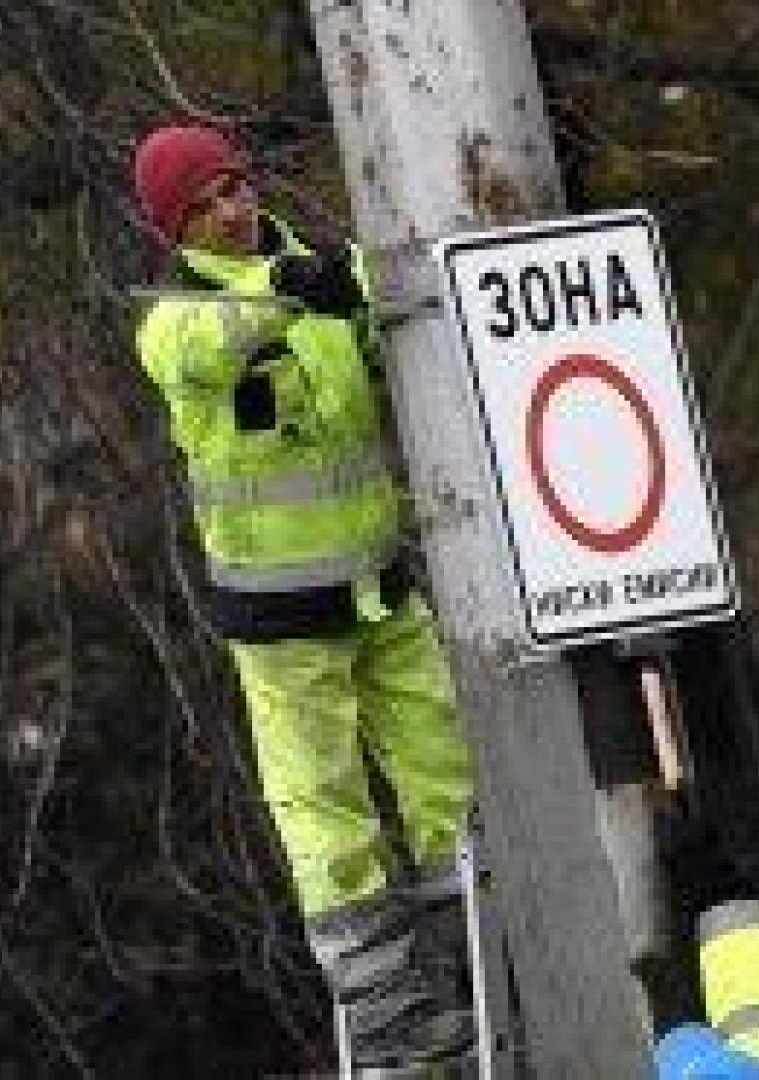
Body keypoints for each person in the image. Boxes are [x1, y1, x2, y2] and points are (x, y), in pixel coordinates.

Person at [131, 123, 479, 1076]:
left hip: (378, 594)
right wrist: (290, 292)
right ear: (177, 227)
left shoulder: (321, 273)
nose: (232, 210)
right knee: (327, 818)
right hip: (281, 624)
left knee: (446, 779)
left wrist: (350, 286)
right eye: (206, 202)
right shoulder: (176, 319)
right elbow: (204, 346)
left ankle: (480, 960)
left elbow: (388, 291)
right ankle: (392, 1015)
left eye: (236, 186)